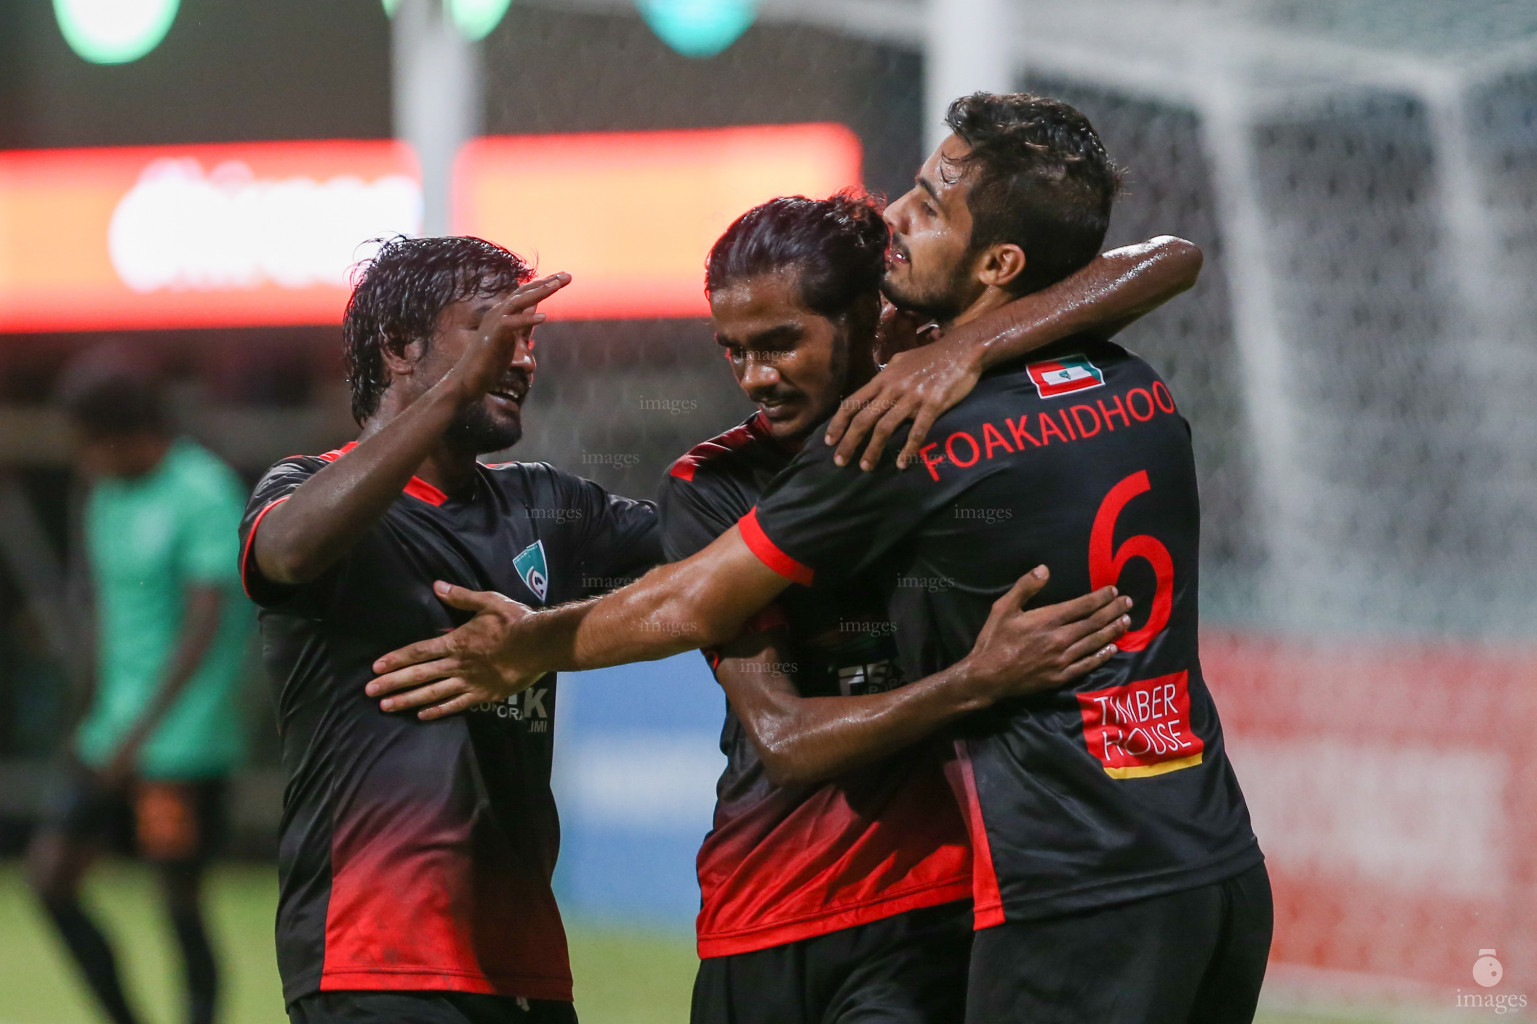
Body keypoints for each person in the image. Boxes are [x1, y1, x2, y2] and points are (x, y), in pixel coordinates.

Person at [371, 93, 1270, 1024]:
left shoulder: (903, 434)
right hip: (1208, 859)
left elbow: (691, 602)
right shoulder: (1130, 378)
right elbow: (1170, 258)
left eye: (928, 205)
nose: (897, 218)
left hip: (1056, 888)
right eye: (734, 351)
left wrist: (529, 647)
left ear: (879, 321)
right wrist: (972, 345)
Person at [669, 191, 1201, 1024]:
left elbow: (1167, 257)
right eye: (731, 351)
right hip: (759, 907)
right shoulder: (714, 484)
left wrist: (972, 344)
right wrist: (971, 681)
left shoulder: (954, 429)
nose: (754, 379)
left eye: (779, 344)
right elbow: (783, 740)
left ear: (869, 318)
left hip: (928, 909)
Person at [237, 237, 654, 1024]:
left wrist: (549, 636)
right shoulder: (304, 489)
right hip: (375, 960)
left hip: (523, 963)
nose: (523, 358)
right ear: (400, 348)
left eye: (529, 339)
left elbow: (715, 561)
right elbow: (285, 553)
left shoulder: (547, 505)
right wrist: (458, 385)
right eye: (495, 333)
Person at [28, 357, 251, 1024]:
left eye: (89, 442)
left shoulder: (203, 491)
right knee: (50, 877)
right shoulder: (105, 494)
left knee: (178, 898)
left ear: (129, 433)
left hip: (179, 747)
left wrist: (140, 735)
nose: (83, 459)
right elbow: (105, 615)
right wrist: (91, 718)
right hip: (111, 736)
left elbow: (205, 626)